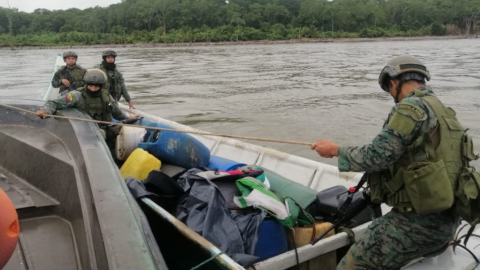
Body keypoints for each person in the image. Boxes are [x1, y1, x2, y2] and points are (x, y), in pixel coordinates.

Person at [311, 55, 462, 269]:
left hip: (418, 225)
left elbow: (377, 156)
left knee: (350, 265)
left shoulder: (410, 108)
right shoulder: (443, 111)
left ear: (394, 83)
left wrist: (335, 150)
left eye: (390, 89)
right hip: (449, 223)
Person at [37, 69, 132, 148]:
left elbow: (117, 113)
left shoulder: (107, 96)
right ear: (86, 84)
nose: (93, 89)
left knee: (126, 131)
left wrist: (129, 119)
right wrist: (45, 111)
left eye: (96, 86)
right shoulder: (76, 95)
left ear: (101, 86)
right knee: (101, 134)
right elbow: (53, 103)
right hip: (87, 132)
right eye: (90, 85)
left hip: (106, 128)